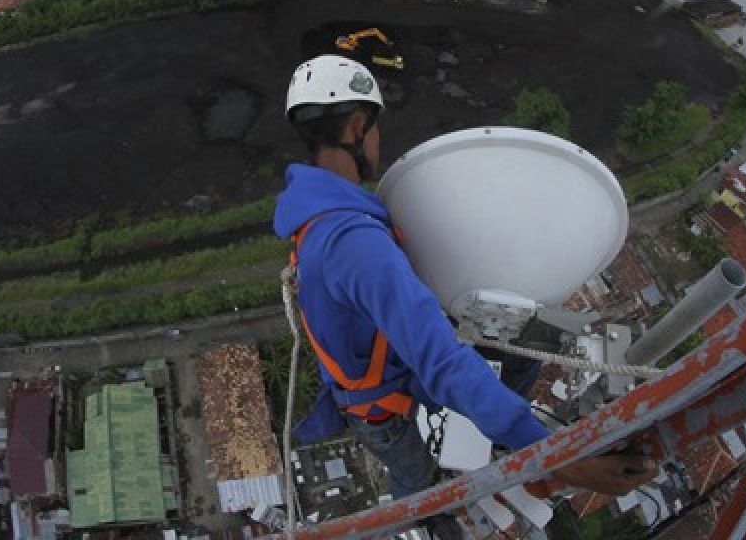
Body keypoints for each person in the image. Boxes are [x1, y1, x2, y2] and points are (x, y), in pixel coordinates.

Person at [272, 55, 657, 533]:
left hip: (386, 364)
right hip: (380, 408)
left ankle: (500, 435)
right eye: (374, 130)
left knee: (522, 355)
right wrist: (565, 461)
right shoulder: (355, 243)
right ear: (356, 126)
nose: (377, 140)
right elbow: (440, 362)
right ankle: (428, 519)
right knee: (416, 479)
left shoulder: (318, 210)